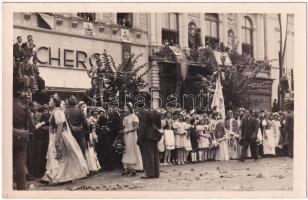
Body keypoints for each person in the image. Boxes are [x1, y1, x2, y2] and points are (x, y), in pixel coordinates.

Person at [41, 94, 89, 184]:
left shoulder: (58, 112)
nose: (48, 102)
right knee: (59, 157)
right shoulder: (55, 111)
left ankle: (56, 176)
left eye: (50, 101)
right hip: (56, 135)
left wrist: (57, 141)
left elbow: (60, 126)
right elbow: (52, 123)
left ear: (55, 102)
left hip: (59, 136)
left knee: (59, 156)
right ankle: (54, 176)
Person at [13, 92, 34, 190]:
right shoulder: (26, 109)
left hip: (9, 136)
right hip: (22, 137)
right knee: (20, 163)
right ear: (24, 99)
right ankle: (21, 188)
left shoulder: (10, 106)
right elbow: (32, 124)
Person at [137, 100, 162, 179]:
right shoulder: (156, 112)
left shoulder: (143, 112)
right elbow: (159, 126)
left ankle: (149, 173)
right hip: (154, 135)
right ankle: (156, 173)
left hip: (147, 136)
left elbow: (142, 126)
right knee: (155, 154)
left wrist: (139, 138)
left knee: (148, 155)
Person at [121, 102, 143, 176]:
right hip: (125, 135)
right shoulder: (125, 117)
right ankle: (126, 168)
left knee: (132, 149)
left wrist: (128, 130)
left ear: (130, 109)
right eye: (124, 108)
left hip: (131, 135)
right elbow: (124, 126)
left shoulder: (134, 116)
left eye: (126, 108)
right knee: (126, 150)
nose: (125, 110)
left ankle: (133, 169)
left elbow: (137, 127)